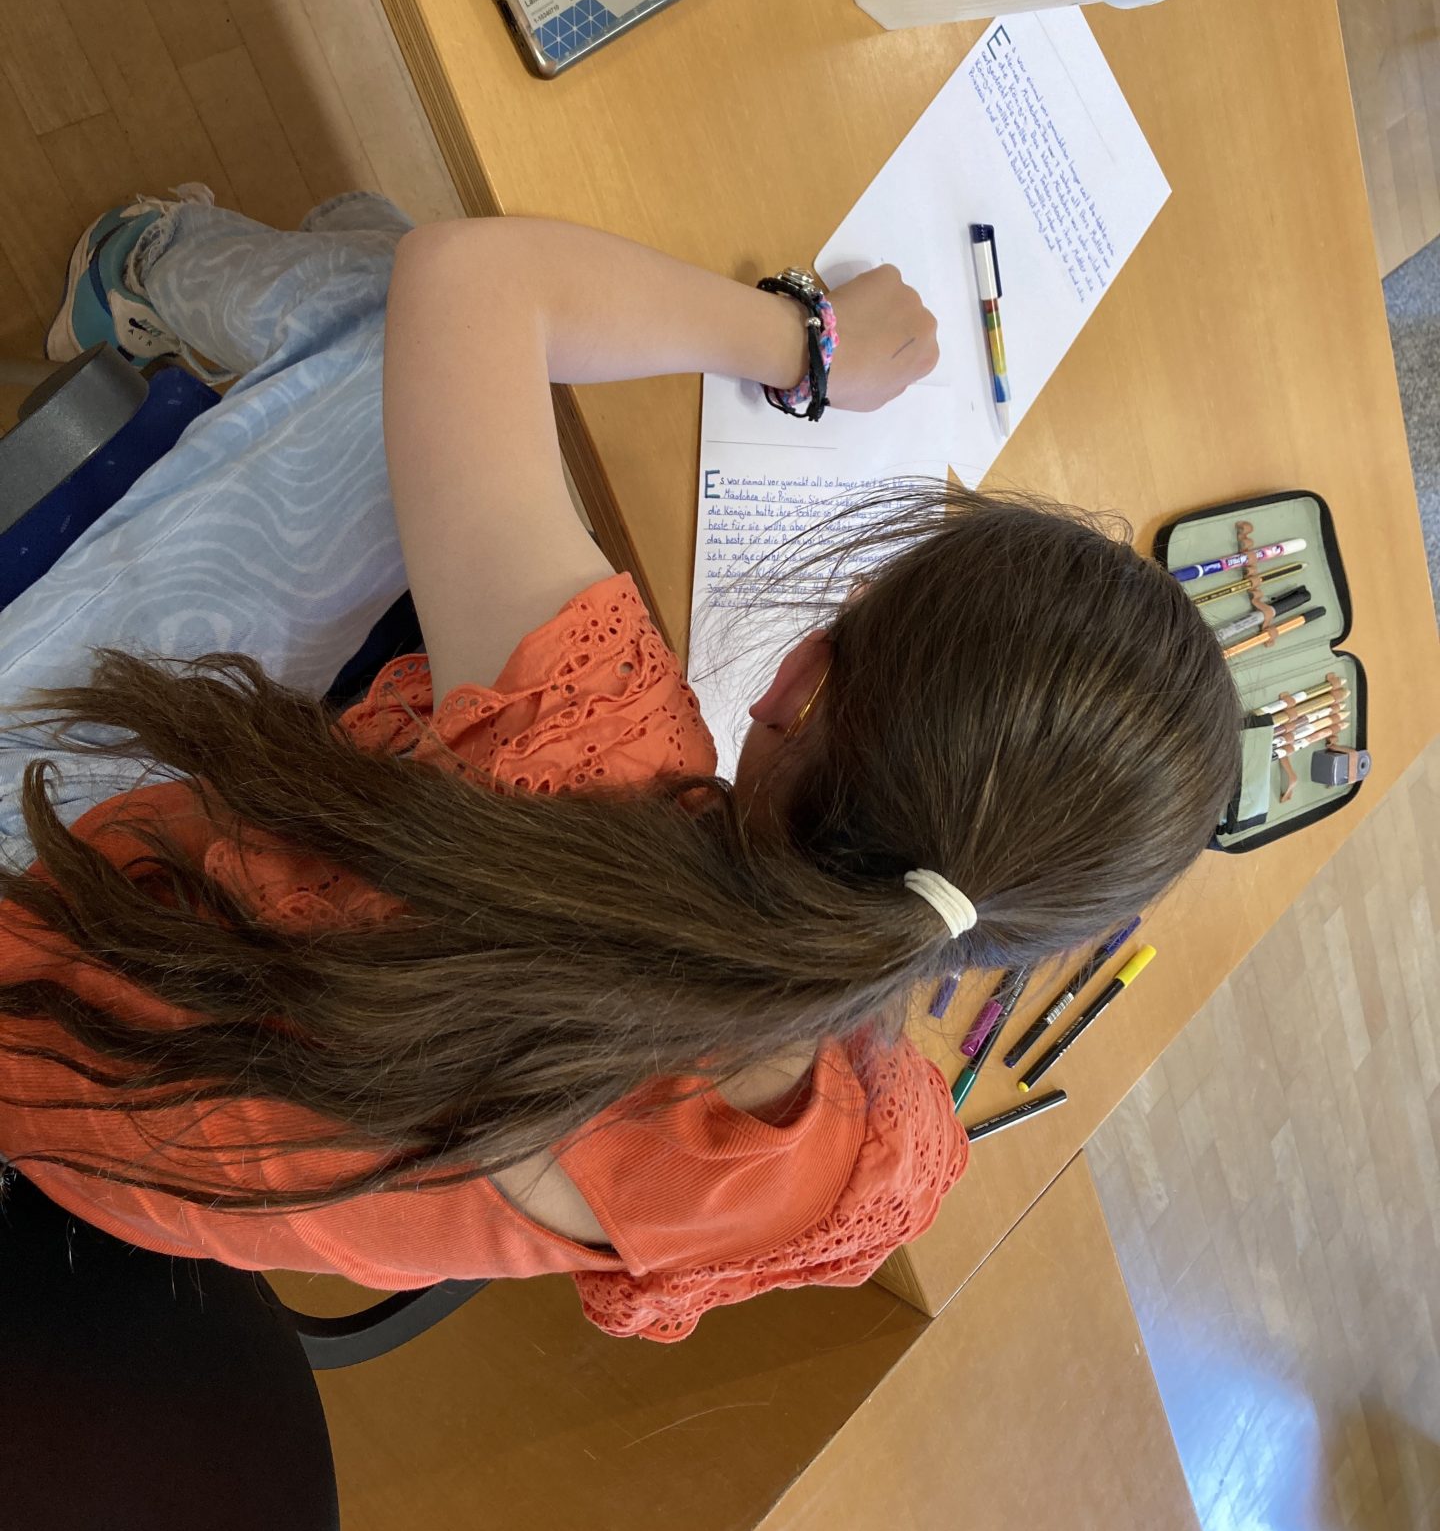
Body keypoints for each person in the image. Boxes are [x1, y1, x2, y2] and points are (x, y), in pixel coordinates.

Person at [0, 191, 1239, 1342]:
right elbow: (907, 1161)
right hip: (107, 1146)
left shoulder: (597, 756)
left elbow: (473, 279)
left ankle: (138, 264)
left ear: (796, 683)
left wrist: (807, 342)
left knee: (382, 289)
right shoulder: (837, 1170)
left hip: (47, 924)